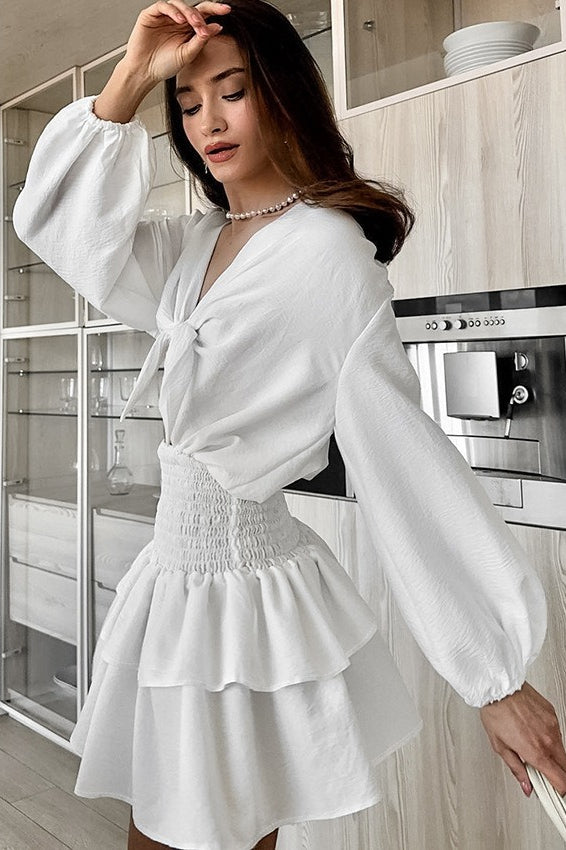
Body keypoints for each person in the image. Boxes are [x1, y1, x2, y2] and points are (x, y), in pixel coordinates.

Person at [11, 0, 566, 847]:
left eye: (232, 92)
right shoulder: (194, 244)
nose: (208, 121)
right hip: (176, 582)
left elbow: (404, 466)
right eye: (188, 103)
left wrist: (494, 676)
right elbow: (56, 228)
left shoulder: (328, 255)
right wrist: (130, 77)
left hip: (242, 593)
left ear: (281, 93)